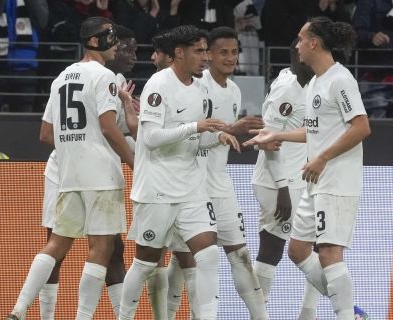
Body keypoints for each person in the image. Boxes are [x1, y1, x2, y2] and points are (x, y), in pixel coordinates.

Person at [6, 16, 134, 320]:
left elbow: (45, 134)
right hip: (101, 173)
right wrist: (133, 161)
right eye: (110, 36)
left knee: (57, 243)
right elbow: (106, 126)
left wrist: (74, 145)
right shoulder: (104, 76)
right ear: (93, 41)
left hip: (68, 174)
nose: (115, 43)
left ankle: (20, 307)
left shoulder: (60, 77)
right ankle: (82, 317)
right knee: (102, 248)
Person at [244, 16, 371, 319]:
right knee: (298, 251)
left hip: (336, 180)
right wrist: (279, 135)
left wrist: (322, 157)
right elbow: (314, 130)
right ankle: (346, 309)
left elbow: (361, 127)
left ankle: (346, 316)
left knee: (328, 252)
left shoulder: (341, 79)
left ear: (314, 42)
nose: (297, 45)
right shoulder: (314, 81)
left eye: (301, 39)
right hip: (315, 182)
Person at [118, 25, 238, 320]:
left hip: (191, 190)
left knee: (208, 255)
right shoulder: (159, 85)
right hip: (157, 190)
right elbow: (151, 139)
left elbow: (196, 141)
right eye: (198, 51)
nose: (205, 58)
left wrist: (217, 137)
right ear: (179, 54)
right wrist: (196, 127)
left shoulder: (201, 89)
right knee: (145, 263)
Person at [197, 26, 269, 320]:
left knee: (240, 255)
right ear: (209, 54)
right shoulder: (197, 85)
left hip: (220, 184)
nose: (230, 58)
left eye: (234, 52)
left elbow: (225, 140)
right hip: (192, 186)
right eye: (223, 52)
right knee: (193, 262)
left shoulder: (236, 90)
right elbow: (190, 137)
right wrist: (231, 129)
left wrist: (256, 141)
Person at [251, 39, 320, 319]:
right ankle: (259, 313)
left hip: (301, 179)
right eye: (296, 49)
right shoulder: (286, 90)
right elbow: (266, 141)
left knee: (314, 246)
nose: (300, 53)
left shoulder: (314, 84)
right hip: (278, 182)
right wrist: (281, 188)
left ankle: (307, 314)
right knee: (273, 248)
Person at [352, 0, 393, 118]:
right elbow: (355, 32)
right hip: (374, 76)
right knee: (375, 125)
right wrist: (371, 37)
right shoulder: (368, 2)